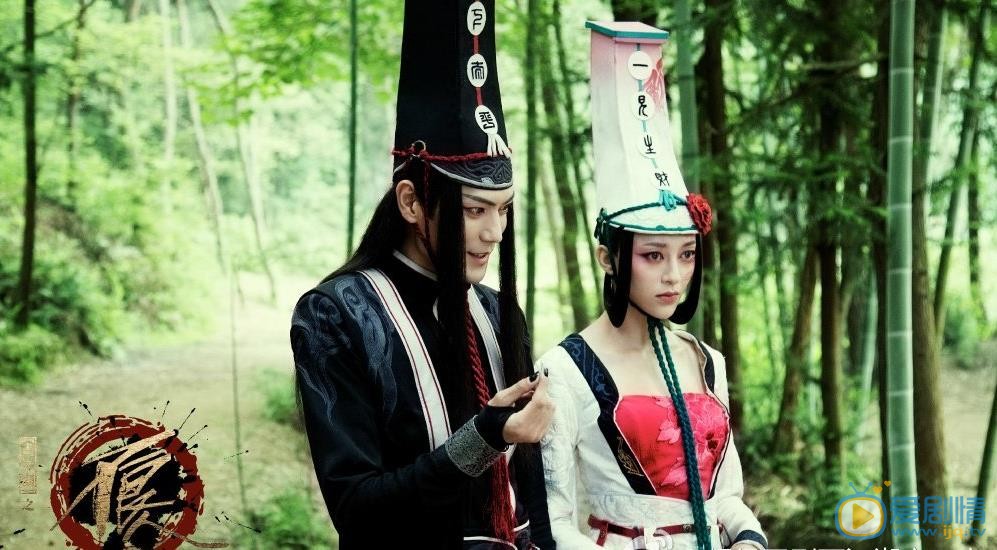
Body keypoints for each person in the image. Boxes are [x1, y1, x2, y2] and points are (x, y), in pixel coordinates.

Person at [290, 2, 555, 548]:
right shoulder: (336, 316)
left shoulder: (496, 311)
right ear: (411, 201)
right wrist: (482, 438)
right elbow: (356, 509)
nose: (494, 232)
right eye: (475, 210)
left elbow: (532, 493)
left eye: (504, 209)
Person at [537, 21, 767, 550]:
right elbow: (553, 521)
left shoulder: (707, 361)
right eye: (653, 255)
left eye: (687, 254)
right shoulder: (564, 370)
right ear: (608, 258)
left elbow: (725, 497)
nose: (674, 275)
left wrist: (749, 538)